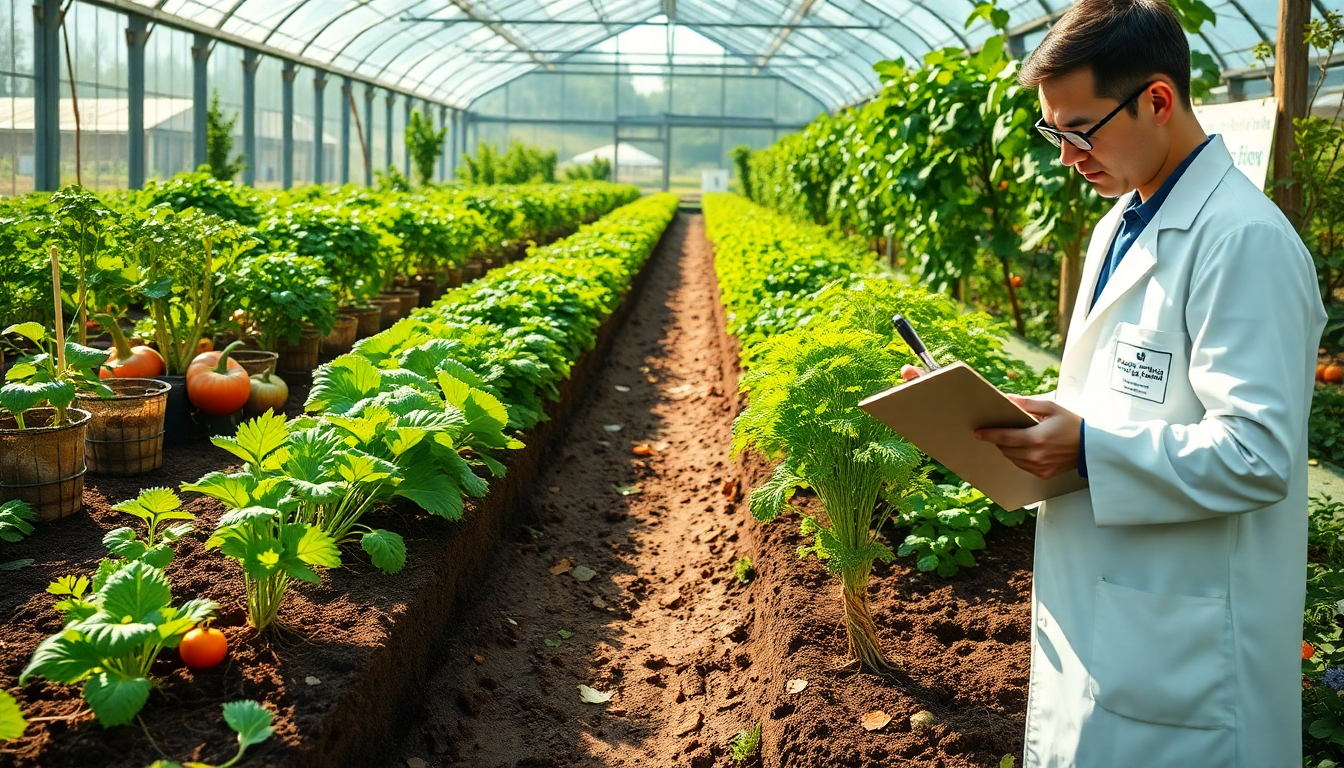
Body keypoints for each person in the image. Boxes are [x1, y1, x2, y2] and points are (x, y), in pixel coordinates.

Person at [900, 1, 1325, 765]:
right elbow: (1129, 398)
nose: (1066, 155)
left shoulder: (1245, 241)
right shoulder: (1119, 222)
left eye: (1079, 129)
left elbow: (1260, 455)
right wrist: (1040, 419)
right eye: (1052, 132)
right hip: (1114, 607)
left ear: (1157, 100)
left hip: (1186, 648)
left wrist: (1090, 447)